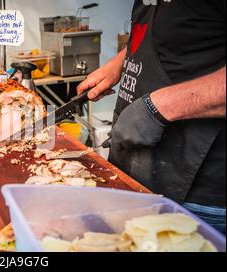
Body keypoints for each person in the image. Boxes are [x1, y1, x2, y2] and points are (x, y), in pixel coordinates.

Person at [77, 0, 226, 234]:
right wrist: (122, 61)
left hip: (198, 194)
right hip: (138, 172)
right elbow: (183, 35)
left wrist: (156, 108)